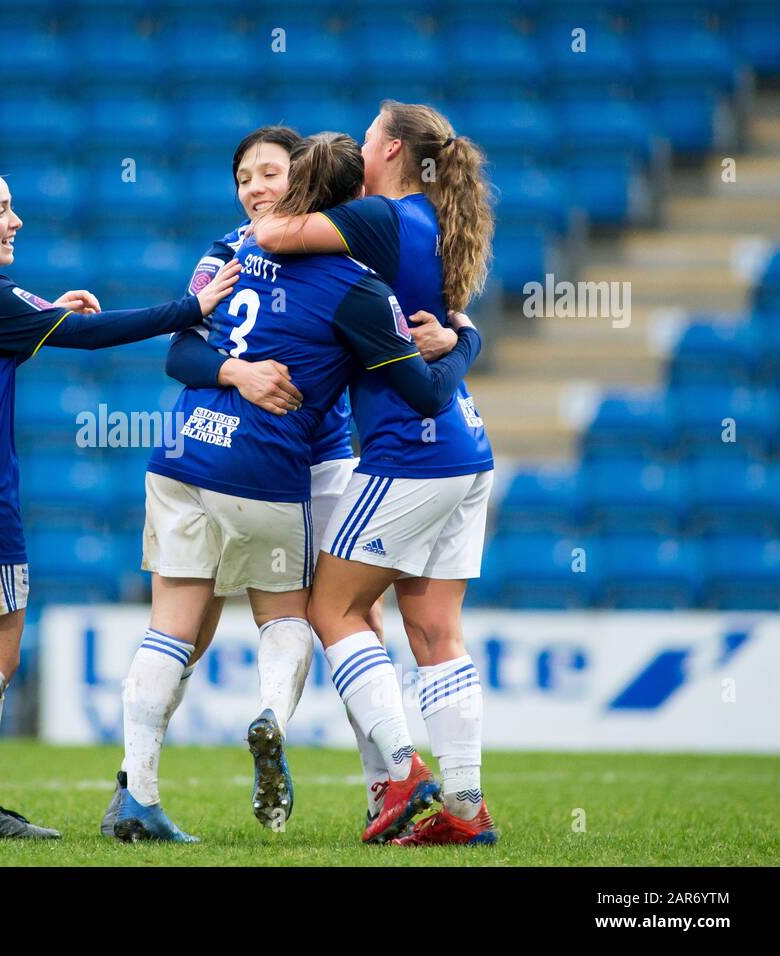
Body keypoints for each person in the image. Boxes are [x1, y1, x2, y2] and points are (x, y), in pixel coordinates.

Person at [112, 133, 483, 843]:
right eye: (243, 177)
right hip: (272, 462)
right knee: (317, 614)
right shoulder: (255, 254)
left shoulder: (316, 250)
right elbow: (183, 349)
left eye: (269, 173)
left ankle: (383, 785)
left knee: (340, 615)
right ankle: (352, 758)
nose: (254, 187)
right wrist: (237, 372)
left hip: (302, 460)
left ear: (301, 182)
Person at [0, 161, 241, 840]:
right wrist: (193, 309)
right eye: (2, 209)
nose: (16, 221)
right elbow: (91, 336)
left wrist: (48, 314)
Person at [257, 101, 499, 846]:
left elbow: (270, 230)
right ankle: (465, 810)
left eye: (366, 135)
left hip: (409, 452)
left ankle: (403, 771)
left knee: (332, 610)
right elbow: (449, 329)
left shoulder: (380, 219)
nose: (358, 144)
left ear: (390, 149)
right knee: (434, 630)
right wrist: (465, 339)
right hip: (467, 444)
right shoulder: (430, 221)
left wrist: (281, 196)